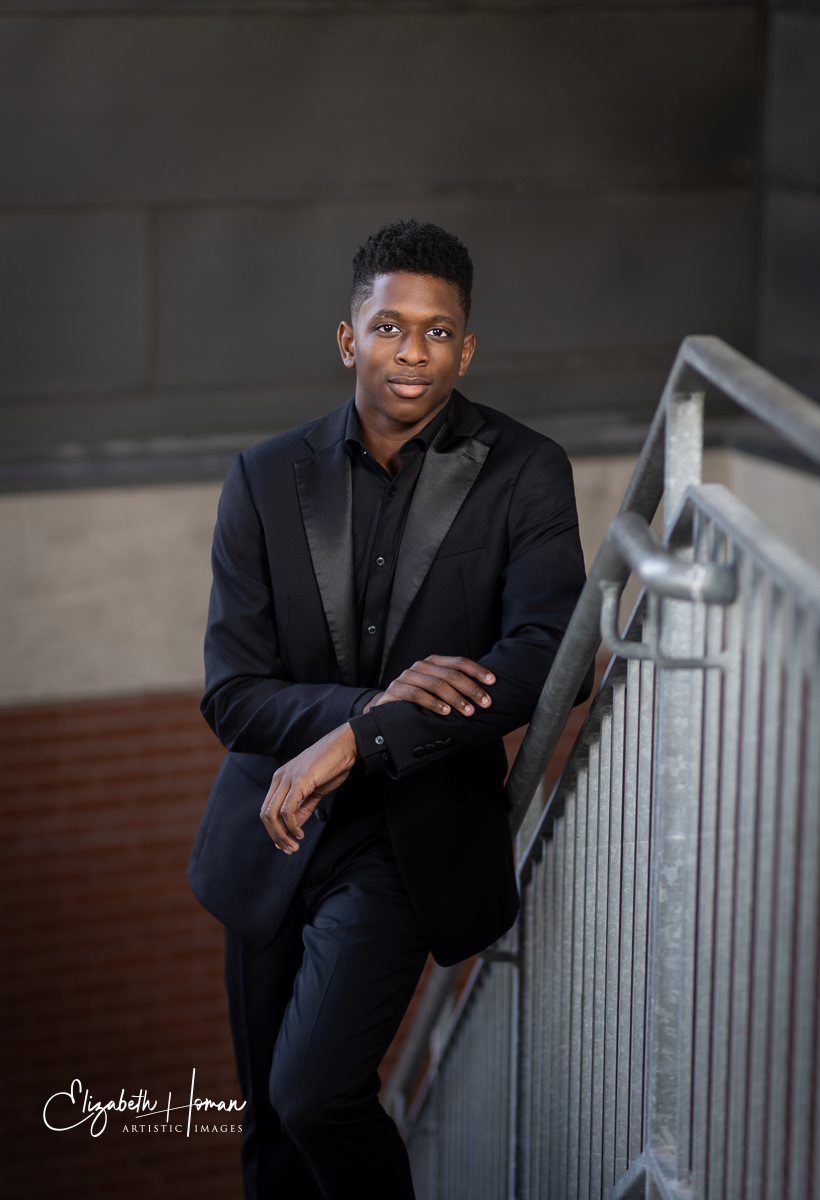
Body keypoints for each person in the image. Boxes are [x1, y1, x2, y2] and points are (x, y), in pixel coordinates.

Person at [187, 219, 591, 1199]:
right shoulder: (262, 478)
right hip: (275, 832)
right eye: (389, 327)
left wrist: (362, 741)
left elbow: (552, 657)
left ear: (467, 348)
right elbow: (233, 693)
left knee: (315, 1095)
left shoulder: (525, 470)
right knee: (269, 1135)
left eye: (437, 332)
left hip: (411, 839)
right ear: (347, 338)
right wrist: (371, 707)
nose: (413, 352)